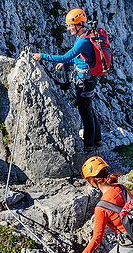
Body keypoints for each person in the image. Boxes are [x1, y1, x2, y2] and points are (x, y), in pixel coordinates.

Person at [31, 8, 102, 150]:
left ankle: (89, 144)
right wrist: (65, 64)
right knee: (88, 108)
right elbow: (80, 59)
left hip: (85, 81)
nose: (68, 29)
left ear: (78, 25)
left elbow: (65, 56)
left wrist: (42, 56)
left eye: (70, 25)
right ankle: (97, 139)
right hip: (88, 78)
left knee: (85, 111)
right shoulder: (85, 36)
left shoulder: (83, 41)